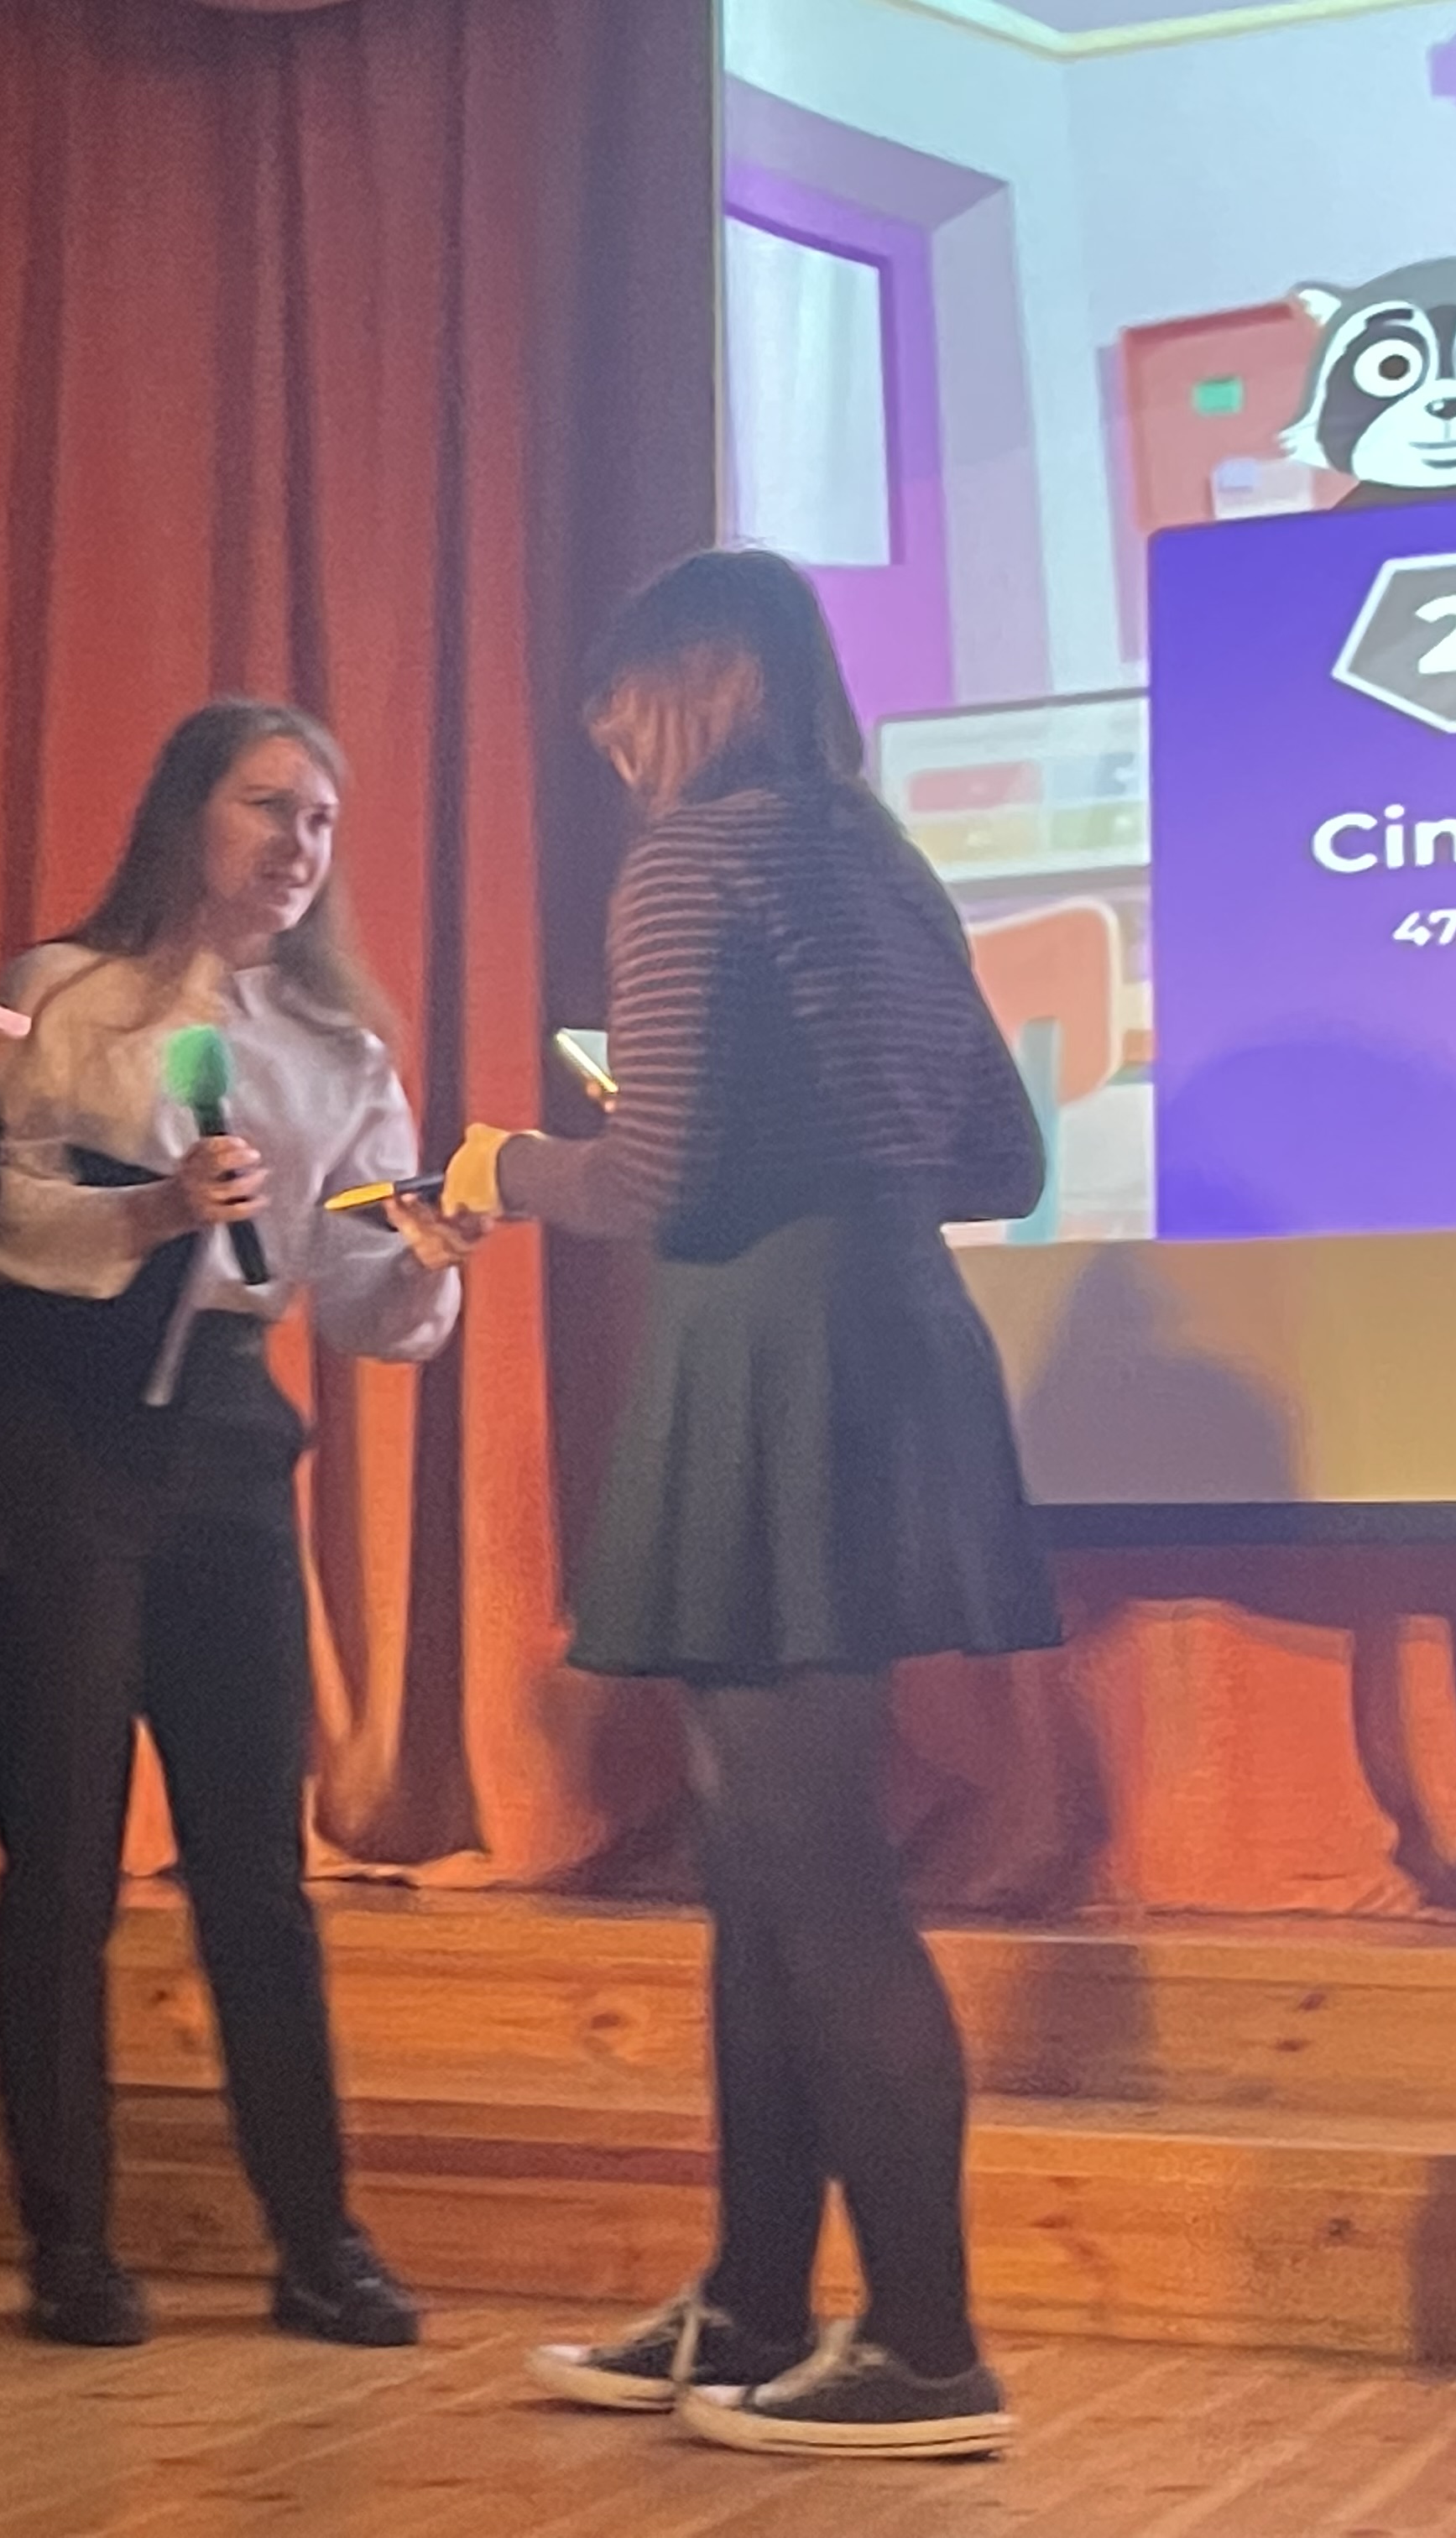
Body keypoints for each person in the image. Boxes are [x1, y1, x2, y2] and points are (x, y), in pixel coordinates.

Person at [469, 548, 1054, 2460]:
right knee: (766, 1870)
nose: (614, 750)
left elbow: (659, 1182)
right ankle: (754, 2305)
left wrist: (502, 1167)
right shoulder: (883, 859)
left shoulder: (694, 861)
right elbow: (1005, 1156)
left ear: (693, 685)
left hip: (769, 1362)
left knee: (815, 1874)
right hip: (890, 1341)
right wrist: (830, 1145)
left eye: (623, 712)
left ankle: (930, 2347)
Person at [0, 699, 472, 2352]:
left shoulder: (339, 1047)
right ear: (187, 812)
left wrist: (423, 1262)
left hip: (232, 1450)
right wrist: (152, 1212)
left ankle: (319, 2242)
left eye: (320, 821)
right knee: (62, 1858)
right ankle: (69, 2243)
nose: (298, 846)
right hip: (64, 1434)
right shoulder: (58, 992)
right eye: (268, 807)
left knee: (256, 1864)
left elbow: (359, 1292)